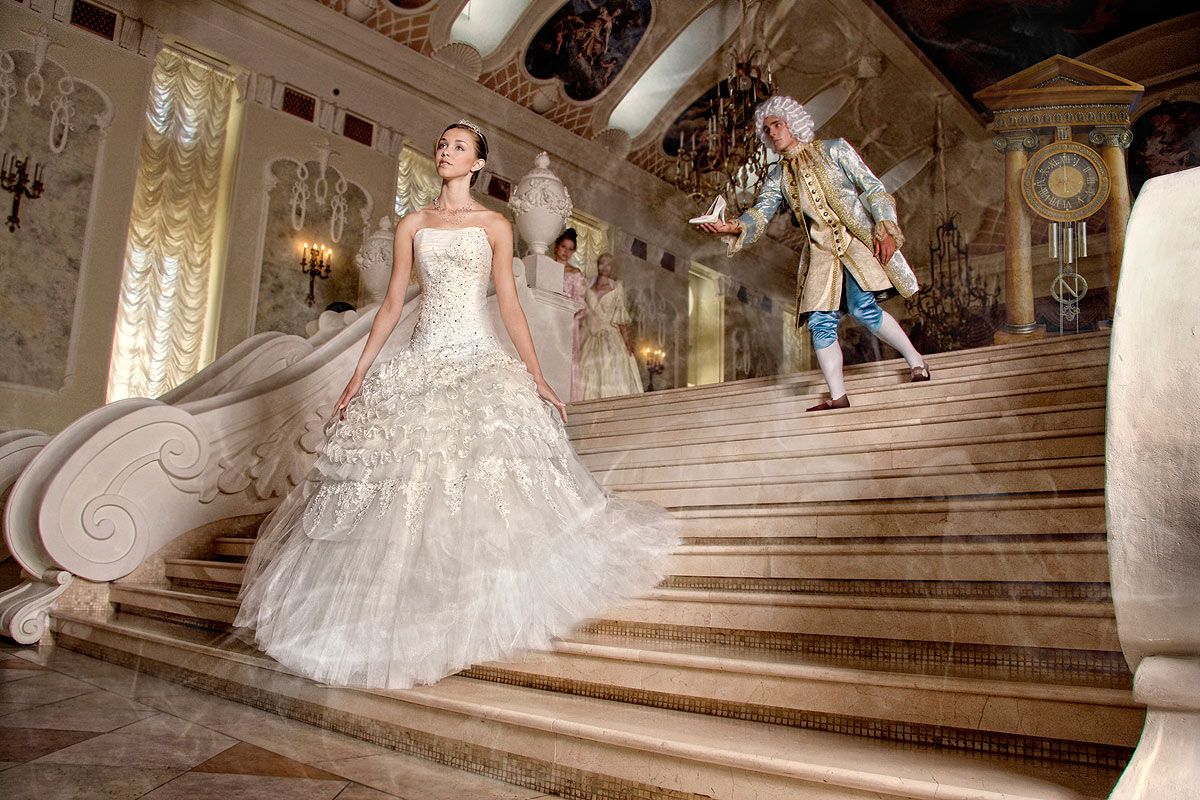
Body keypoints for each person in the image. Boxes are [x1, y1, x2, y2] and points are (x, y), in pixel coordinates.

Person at [234, 120, 678, 689]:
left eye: (458, 147)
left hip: (477, 357)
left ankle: (469, 601)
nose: (445, 152)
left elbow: (510, 305)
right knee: (394, 482)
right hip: (420, 359)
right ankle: (399, 614)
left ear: (477, 163)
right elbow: (391, 305)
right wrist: (357, 376)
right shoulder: (413, 224)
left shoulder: (495, 225)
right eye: (442, 145)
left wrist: (538, 376)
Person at [697, 95, 930, 411]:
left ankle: (916, 361)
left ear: (793, 123)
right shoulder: (778, 176)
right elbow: (761, 212)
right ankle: (838, 396)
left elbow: (873, 187)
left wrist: (886, 227)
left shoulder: (835, 149)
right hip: (821, 254)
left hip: (854, 242)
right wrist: (732, 226)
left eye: (777, 125)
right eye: (767, 129)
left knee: (862, 309)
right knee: (819, 321)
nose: (772, 133)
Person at [580, 253, 643, 399]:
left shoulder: (617, 288)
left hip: (611, 338)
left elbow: (620, 318)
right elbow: (583, 313)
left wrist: (627, 342)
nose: (605, 267)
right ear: (597, 265)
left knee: (612, 373)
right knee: (587, 373)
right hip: (590, 337)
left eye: (608, 264)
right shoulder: (587, 286)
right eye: (602, 263)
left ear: (612, 267)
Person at [554, 227, 588, 402]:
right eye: (563, 247)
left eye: (570, 249)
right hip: (548, 317)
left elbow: (581, 303)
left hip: (568, 322)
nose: (566, 252)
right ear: (556, 247)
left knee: (567, 358)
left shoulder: (575, 274)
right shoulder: (546, 267)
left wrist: (569, 316)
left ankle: (567, 398)